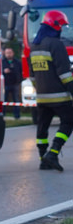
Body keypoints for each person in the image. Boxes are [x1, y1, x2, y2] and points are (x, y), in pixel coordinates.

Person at [29, 9, 73, 171]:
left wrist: (39, 90)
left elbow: (32, 76)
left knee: (42, 127)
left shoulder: (34, 46)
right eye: (61, 26)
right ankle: (53, 154)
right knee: (68, 122)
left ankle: (43, 160)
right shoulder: (56, 44)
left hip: (41, 97)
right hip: (59, 97)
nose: (61, 30)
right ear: (55, 26)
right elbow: (65, 74)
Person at [1, 46, 23, 119]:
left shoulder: (17, 62)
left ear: (13, 53)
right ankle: (2, 115)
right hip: (5, 84)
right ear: (5, 53)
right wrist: (4, 72)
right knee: (4, 100)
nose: (8, 54)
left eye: (10, 53)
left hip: (15, 84)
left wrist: (19, 80)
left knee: (16, 100)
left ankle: (17, 116)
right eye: (7, 53)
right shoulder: (2, 62)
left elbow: (20, 72)